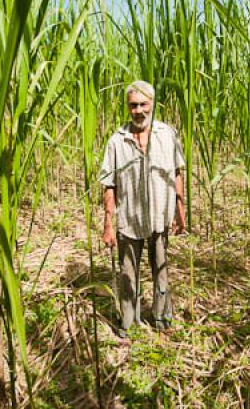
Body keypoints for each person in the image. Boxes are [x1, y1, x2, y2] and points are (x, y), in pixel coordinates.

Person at [99, 80, 186, 338]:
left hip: (160, 215)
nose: (138, 110)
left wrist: (180, 210)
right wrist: (107, 225)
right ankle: (128, 323)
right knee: (128, 273)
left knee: (161, 267)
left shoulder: (167, 135)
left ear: (152, 104)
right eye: (133, 105)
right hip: (129, 219)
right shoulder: (117, 141)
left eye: (143, 104)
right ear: (128, 107)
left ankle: (162, 319)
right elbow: (109, 184)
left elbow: (177, 172)